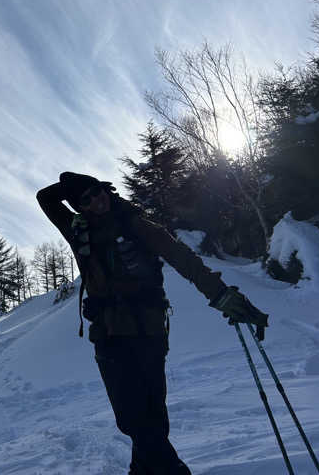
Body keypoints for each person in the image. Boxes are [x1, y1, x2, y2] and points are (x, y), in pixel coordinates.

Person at [36, 172, 268, 475]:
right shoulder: (78, 231)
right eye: (86, 200)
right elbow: (45, 198)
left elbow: (182, 258)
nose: (96, 201)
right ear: (80, 207)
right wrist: (69, 185)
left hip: (148, 331)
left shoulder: (136, 224)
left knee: (151, 419)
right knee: (134, 419)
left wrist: (221, 295)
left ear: (106, 189)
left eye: (97, 191)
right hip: (108, 335)